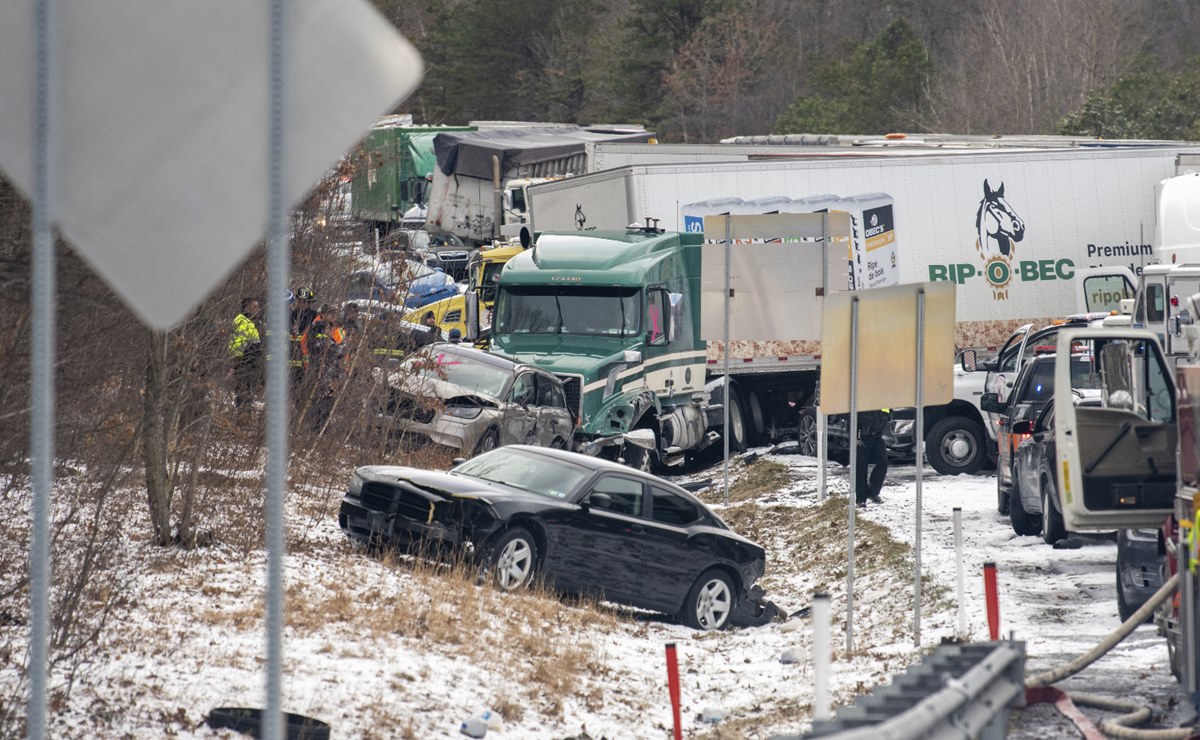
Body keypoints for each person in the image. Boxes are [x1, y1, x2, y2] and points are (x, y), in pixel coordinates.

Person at [228, 297, 262, 408]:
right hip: (244, 363)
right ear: (247, 308)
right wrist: (237, 363)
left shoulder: (250, 322)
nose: (258, 309)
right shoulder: (242, 321)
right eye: (254, 307)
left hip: (250, 364)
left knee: (248, 394)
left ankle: (244, 415)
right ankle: (241, 416)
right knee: (244, 394)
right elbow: (238, 345)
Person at [855, 408, 890, 506]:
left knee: (883, 463)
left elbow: (887, 411)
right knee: (861, 468)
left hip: (877, 436)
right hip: (862, 437)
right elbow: (852, 418)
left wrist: (886, 417)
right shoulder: (863, 400)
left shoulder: (880, 400)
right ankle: (860, 499)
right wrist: (854, 437)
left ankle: (872, 492)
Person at [289, 286, 318, 387]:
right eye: (300, 301)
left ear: (309, 303)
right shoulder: (291, 315)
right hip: (292, 355)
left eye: (304, 302)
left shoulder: (315, 317)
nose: (301, 304)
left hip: (309, 356)